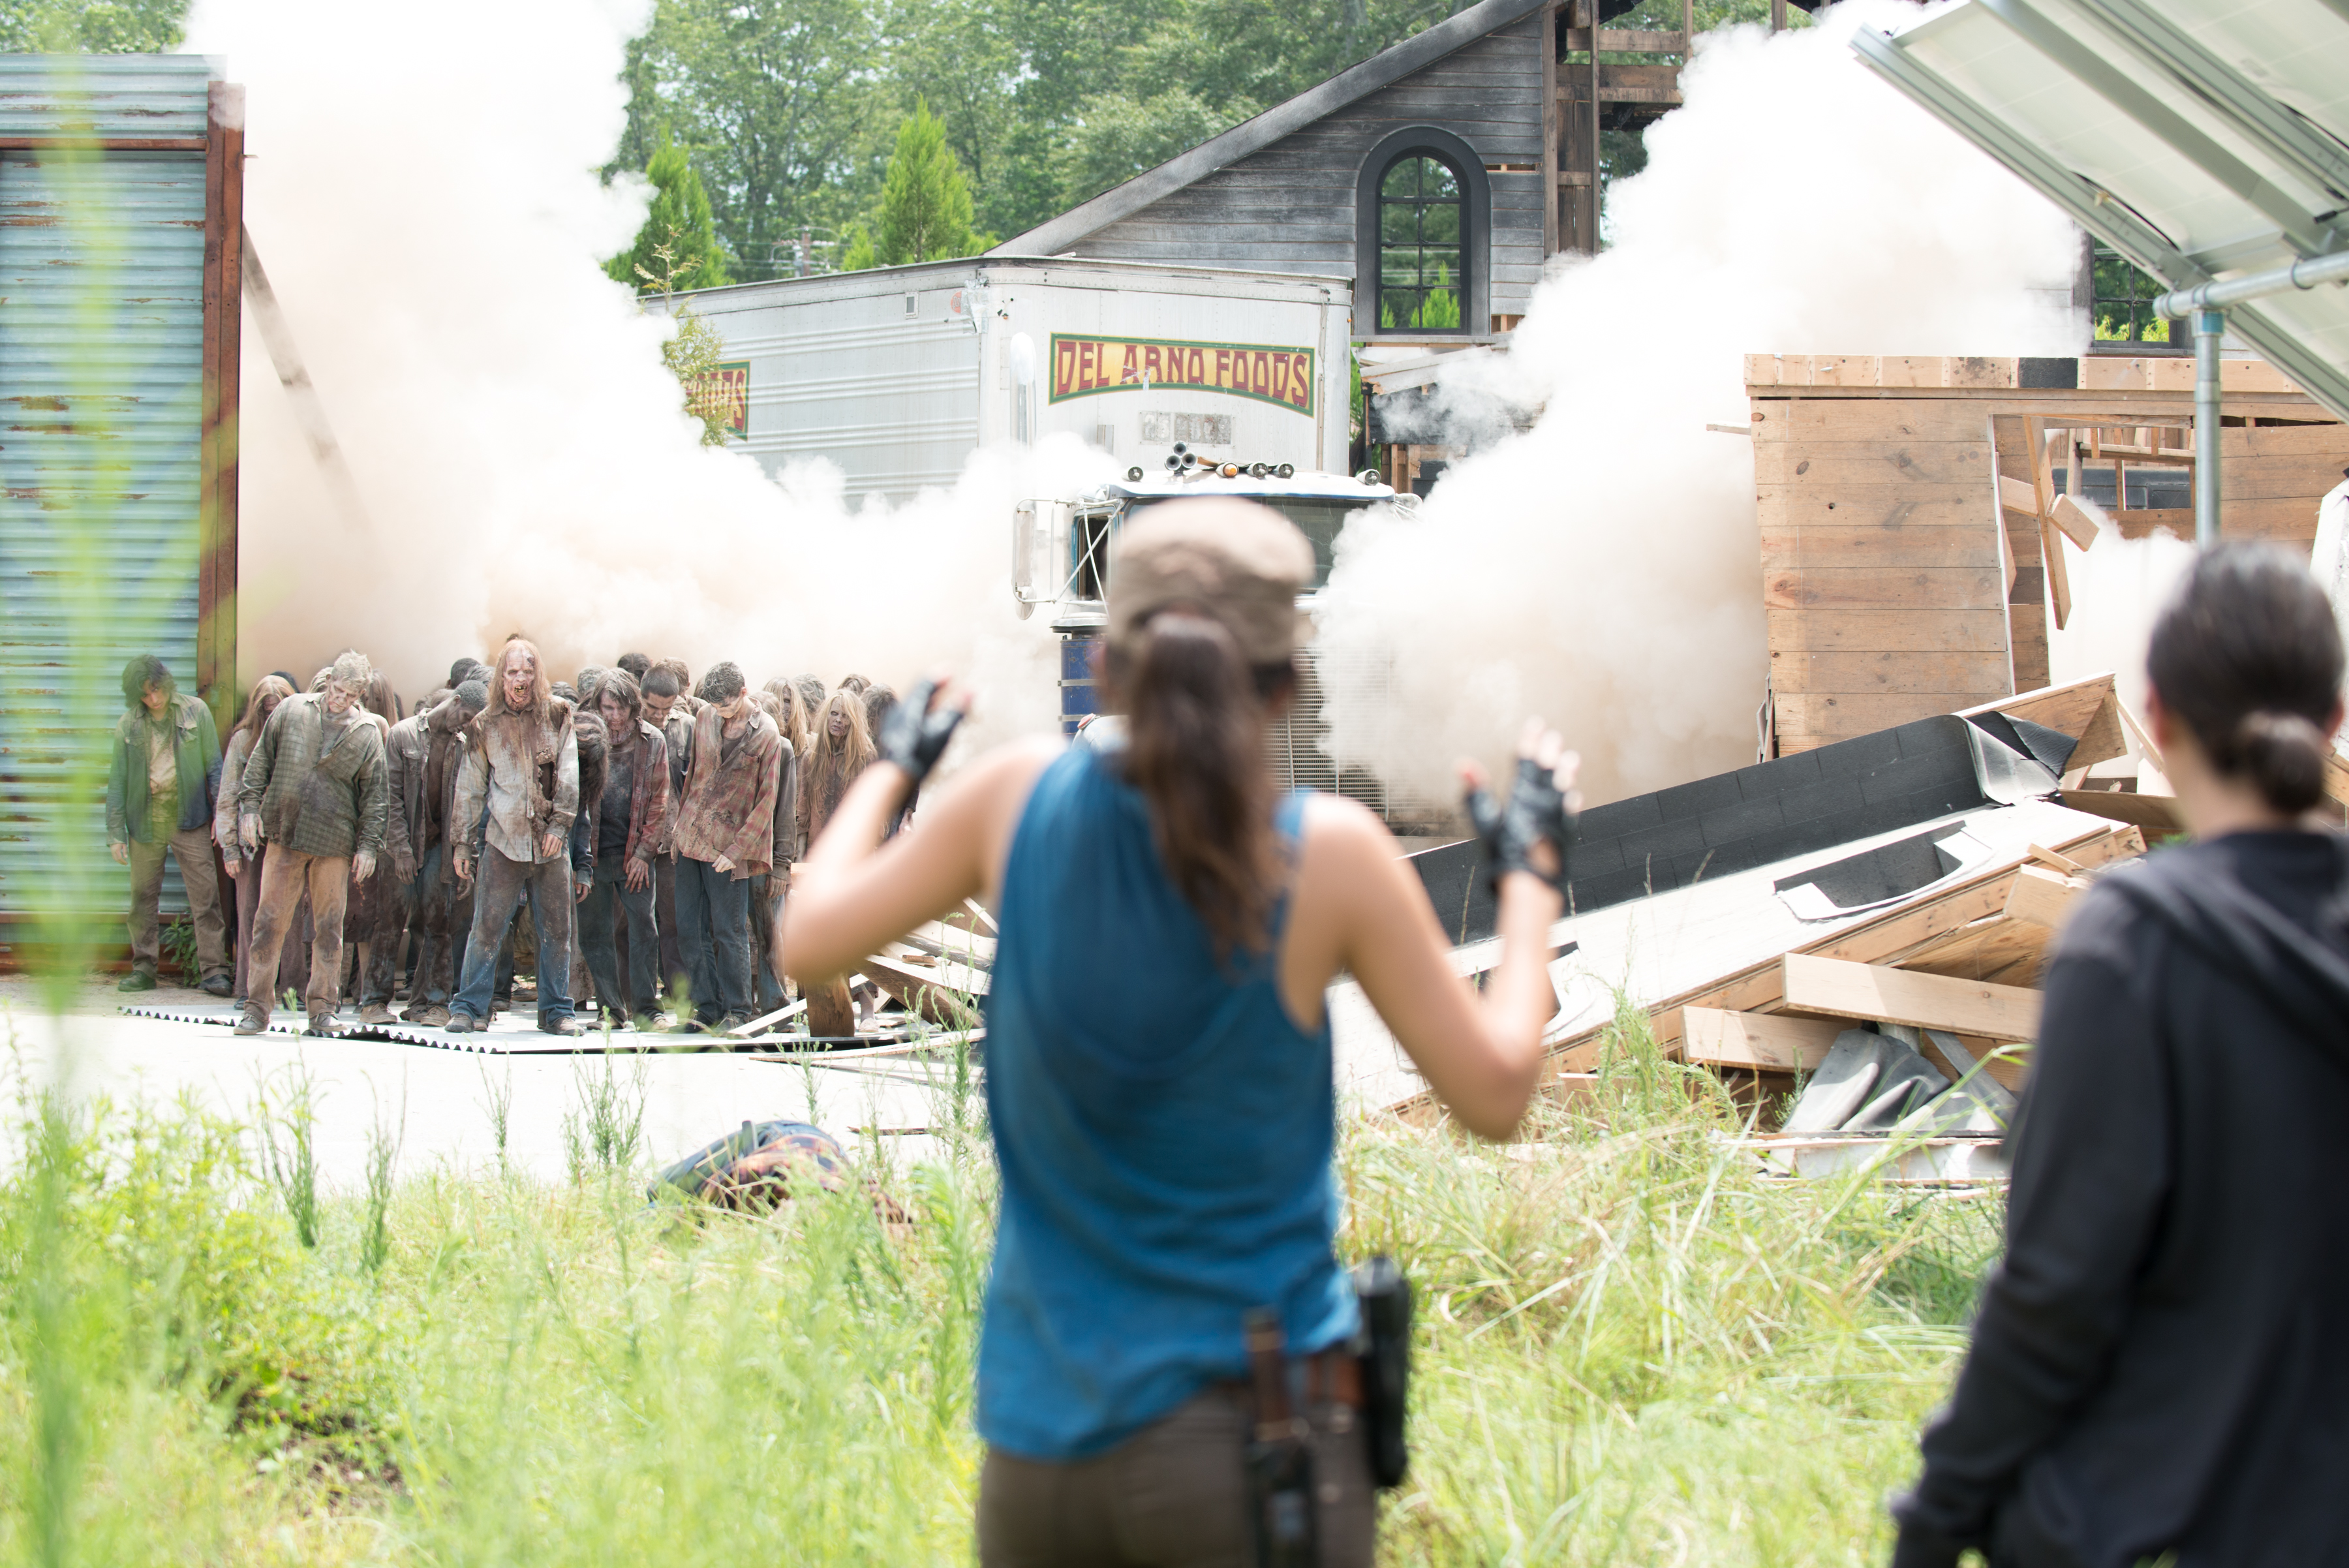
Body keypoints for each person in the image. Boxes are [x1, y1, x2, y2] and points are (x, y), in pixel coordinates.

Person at [780, 499, 1573, 1564]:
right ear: (1288, 686)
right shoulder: (1329, 852)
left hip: (1036, 1458)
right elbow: (1496, 1092)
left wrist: (894, 766)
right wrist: (1531, 877)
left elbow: (807, 939)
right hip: (1248, 1447)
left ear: (1106, 665)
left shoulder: (1013, 801)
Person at [1890, 544, 2349, 1568]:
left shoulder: (2138, 943)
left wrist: (1938, 1516)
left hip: (2171, 1520)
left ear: (2160, 717)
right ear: (2334, 720)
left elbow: (2057, 1283)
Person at [234, 651, 390, 1035]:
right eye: (336, 690)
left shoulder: (368, 732)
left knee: (329, 928)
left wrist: (368, 846)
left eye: (349, 695)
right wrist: (250, 808)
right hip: (285, 833)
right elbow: (260, 762)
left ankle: (322, 1009)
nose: (339, 699)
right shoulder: (291, 711)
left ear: (360, 695)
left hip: (334, 842)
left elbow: (376, 796)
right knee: (269, 922)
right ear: (329, 680)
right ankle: (256, 1009)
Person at [447, 637, 582, 1036]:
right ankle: (469, 1008)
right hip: (502, 842)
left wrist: (560, 825)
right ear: (501, 677)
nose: (520, 679)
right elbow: (470, 788)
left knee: (557, 932)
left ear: (537, 674)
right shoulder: (484, 724)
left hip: (550, 846)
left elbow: (569, 775)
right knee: (486, 929)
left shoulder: (559, 715)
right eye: (512, 672)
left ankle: (557, 1012)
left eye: (527, 671)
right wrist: (462, 843)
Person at [106, 654, 231, 996]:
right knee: (142, 899)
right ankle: (143, 970)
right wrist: (116, 834)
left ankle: (214, 971)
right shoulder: (128, 724)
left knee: (206, 897)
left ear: (166, 683)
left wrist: (221, 815)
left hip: (190, 818)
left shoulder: (195, 712)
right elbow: (117, 781)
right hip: (145, 822)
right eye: (145, 694)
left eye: (157, 690)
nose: (154, 699)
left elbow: (214, 766)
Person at [669, 660, 782, 1032]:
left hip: (729, 848)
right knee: (689, 929)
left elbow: (766, 803)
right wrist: (679, 829)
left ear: (744, 693)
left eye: (727, 705)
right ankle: (706, 1008)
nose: (721, 712)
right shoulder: (704, 717)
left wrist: (735, 853)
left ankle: (738, 1011)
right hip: (691, 838)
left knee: (729, 931)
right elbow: (694, 776)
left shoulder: (767, 733)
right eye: (715, 705)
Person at [381, 679, 487, 1026]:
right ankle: (375, 1001)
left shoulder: (464, 745)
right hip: (403, 844)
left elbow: (468, 803)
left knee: (437, 923)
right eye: (466, 717)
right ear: (455, 702)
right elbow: (390, 797)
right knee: (390, 922)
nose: (465, 725)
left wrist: (464, 855)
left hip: (441, 848)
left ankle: (434, 1003)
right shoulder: (403, 734)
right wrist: (400, 849)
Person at [577, 669, 672, 1028]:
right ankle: (611, 1012)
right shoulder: (584, 737)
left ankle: (648, 1010)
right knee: (595, 934)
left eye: (621, 709)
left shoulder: (653, 741)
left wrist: (644, 854)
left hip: (635, 855)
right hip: (593, 855)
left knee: (644, 930)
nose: (614, 717)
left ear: (634, 708)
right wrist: (579, 860)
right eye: (607, 708)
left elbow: (660, 802)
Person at [216, 674, 296, 1004]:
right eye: (265, 709)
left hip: (290, 839)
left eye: (277, 708)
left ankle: (292, 989)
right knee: (250, 913)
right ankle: (249, 990)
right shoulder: (242, 740)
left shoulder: (301, 737)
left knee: (291, 916)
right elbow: (228, 794)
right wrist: (229, 847)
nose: (270, 715)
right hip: (251, 844)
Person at [640, 664, 694, 1004]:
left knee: (675, 923)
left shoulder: (687, 727)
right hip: (636, 844)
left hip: (673, 843)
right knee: (638, 925)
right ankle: (639, 997)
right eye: (652, 708)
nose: (659, 715)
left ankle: (678, 994)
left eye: (666, 708)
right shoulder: (629, 727)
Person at [801, 685, 876, 847]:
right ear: (826, 716)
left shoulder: (865, 759)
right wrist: (800, 857)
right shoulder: (811, 757)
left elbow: (873, 814)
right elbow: (802, 814)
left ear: (854, 721)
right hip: (816, 848)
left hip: (851, 849)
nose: (839, 720)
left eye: (845, 716)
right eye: (834, 714)